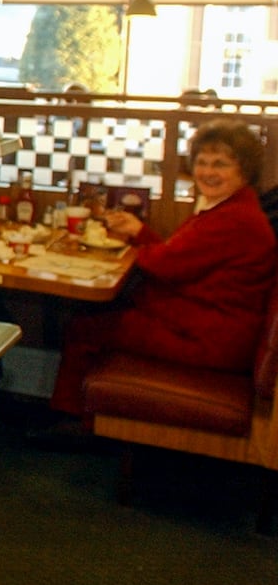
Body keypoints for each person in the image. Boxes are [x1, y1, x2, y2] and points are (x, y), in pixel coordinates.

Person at [50, 119, 278, 416]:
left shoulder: (234, 219)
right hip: (209, 327)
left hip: (209, 340)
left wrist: (130, 246)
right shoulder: (229, 207)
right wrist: (139, 232)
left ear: (244, 170)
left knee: (85, 327)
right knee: (95, 317)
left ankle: (69, 419)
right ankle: (87, 416)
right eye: (202, 162)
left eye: (220, 164)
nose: (208, 172)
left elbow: (165, 264)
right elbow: (179, 256)